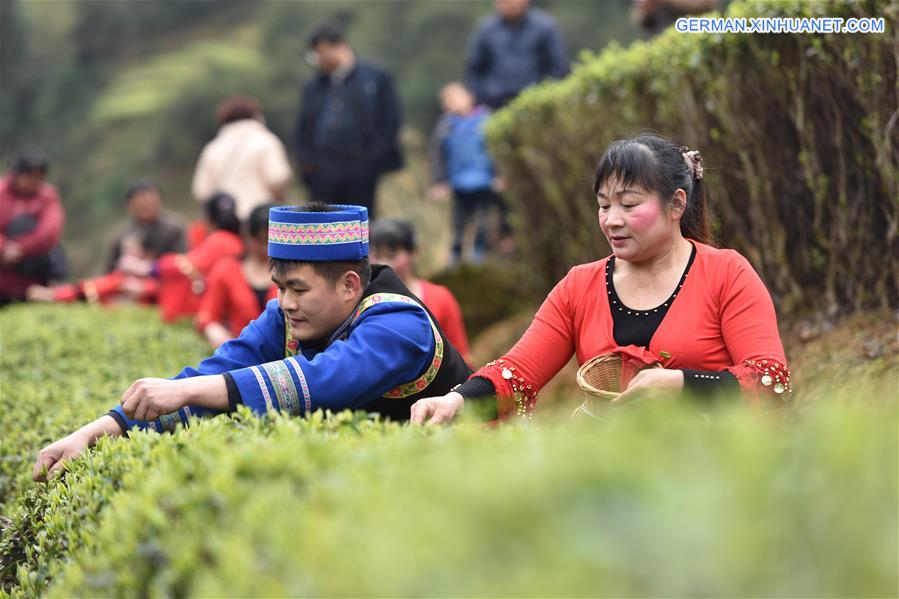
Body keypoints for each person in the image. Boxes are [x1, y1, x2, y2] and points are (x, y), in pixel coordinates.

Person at [33, 203, 472, 481]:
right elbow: (219, 373)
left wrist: (185, 390)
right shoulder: (283, 318)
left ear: (349, 285)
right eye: (279, 287)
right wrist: (94, 432)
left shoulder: (399, 325)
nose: (285, 303)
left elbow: (318, 380)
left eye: (299, 289)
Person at [410, 133, 792, 425]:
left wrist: (682, 385)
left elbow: (771, 381)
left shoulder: (726, 273)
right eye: (604, 205)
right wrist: (456, 400)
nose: (612, 220)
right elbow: (517, 373)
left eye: (629, 205)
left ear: (676, 204)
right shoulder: (580, 286)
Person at [293, 23, 403, 218]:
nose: (319, 60)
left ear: (340, 46)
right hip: (323, 167)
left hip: (361, 164)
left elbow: (390, 122)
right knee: (321, 224)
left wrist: (373, 159)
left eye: (322, 52)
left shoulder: (376, 77)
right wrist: (306, 161)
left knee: (358, 226)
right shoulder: (314, 86)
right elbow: (303, 126)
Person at [118, 192, 244, 323]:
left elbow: (184, 265)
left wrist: (148, 267)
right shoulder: (232, 239)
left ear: (208, 218)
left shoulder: (220, 240)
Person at [370, 218, 471, 364]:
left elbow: (461, 356)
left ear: (414, 252)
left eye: (392, 255)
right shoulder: (364, 299)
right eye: (378, 256)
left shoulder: (440, 298)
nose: (384, 264)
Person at [429, 82, 506, 264]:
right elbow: (437, 155)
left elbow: (495, 149)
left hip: (483, 181)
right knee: (458, 221)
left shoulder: (485, 120)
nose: (453, 103)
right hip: (458, 183)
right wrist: (439, 181)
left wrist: (498, 175)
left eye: (457, 97)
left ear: (469, 96)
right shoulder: (446, 127)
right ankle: (455, 253)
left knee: (482, 219)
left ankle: (478, 252)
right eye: (448, 100)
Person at [191, 95, 293, 221]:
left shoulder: (212, 148)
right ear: (256, 116)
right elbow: (277, 178)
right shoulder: (265, 141)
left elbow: (202, 191)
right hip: (260, 218)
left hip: (226, 220)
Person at [195, 204, 278, 348]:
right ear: (248, 237)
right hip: (238, 349)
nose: (266, 248)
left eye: (270, 241)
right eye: (260, 240)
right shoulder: (227, 268)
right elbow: (207, 315)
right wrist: (218, 336)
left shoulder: (290, 271)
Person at [465, 0, 569, 111]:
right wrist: (482, 98)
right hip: (494, 107)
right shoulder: (486, 29)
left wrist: (545, 97)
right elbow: (474, 69)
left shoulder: (545, 27)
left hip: (536, 107)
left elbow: (558, 69)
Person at [0, 151, 66, 304]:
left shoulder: (48, 196)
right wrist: (4, 247)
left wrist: (20, 248)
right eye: (29, 176)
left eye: (39, 177)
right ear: (16, 174)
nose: (34, 182)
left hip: (32, 270)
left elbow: (50, 232)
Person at [27, 233, 157, 305]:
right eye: (125, 251)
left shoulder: (157, 276)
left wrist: (144, 289)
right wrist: (53, 294)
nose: (127, 256)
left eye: (133, 250)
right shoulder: (119, 278)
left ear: (147, 254)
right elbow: (91, 288)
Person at [107, 181, 187, 273]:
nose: (147, 208)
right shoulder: (122, 235)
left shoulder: (174, 226)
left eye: (151, 204)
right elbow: (111, 269)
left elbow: (186, 257)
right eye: (141, 206)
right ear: (129, 206)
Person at [632, 0, 719, 37]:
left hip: (692, 36)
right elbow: (636, 17)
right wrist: (646, 8)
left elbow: (708, 4)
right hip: (657, 39)